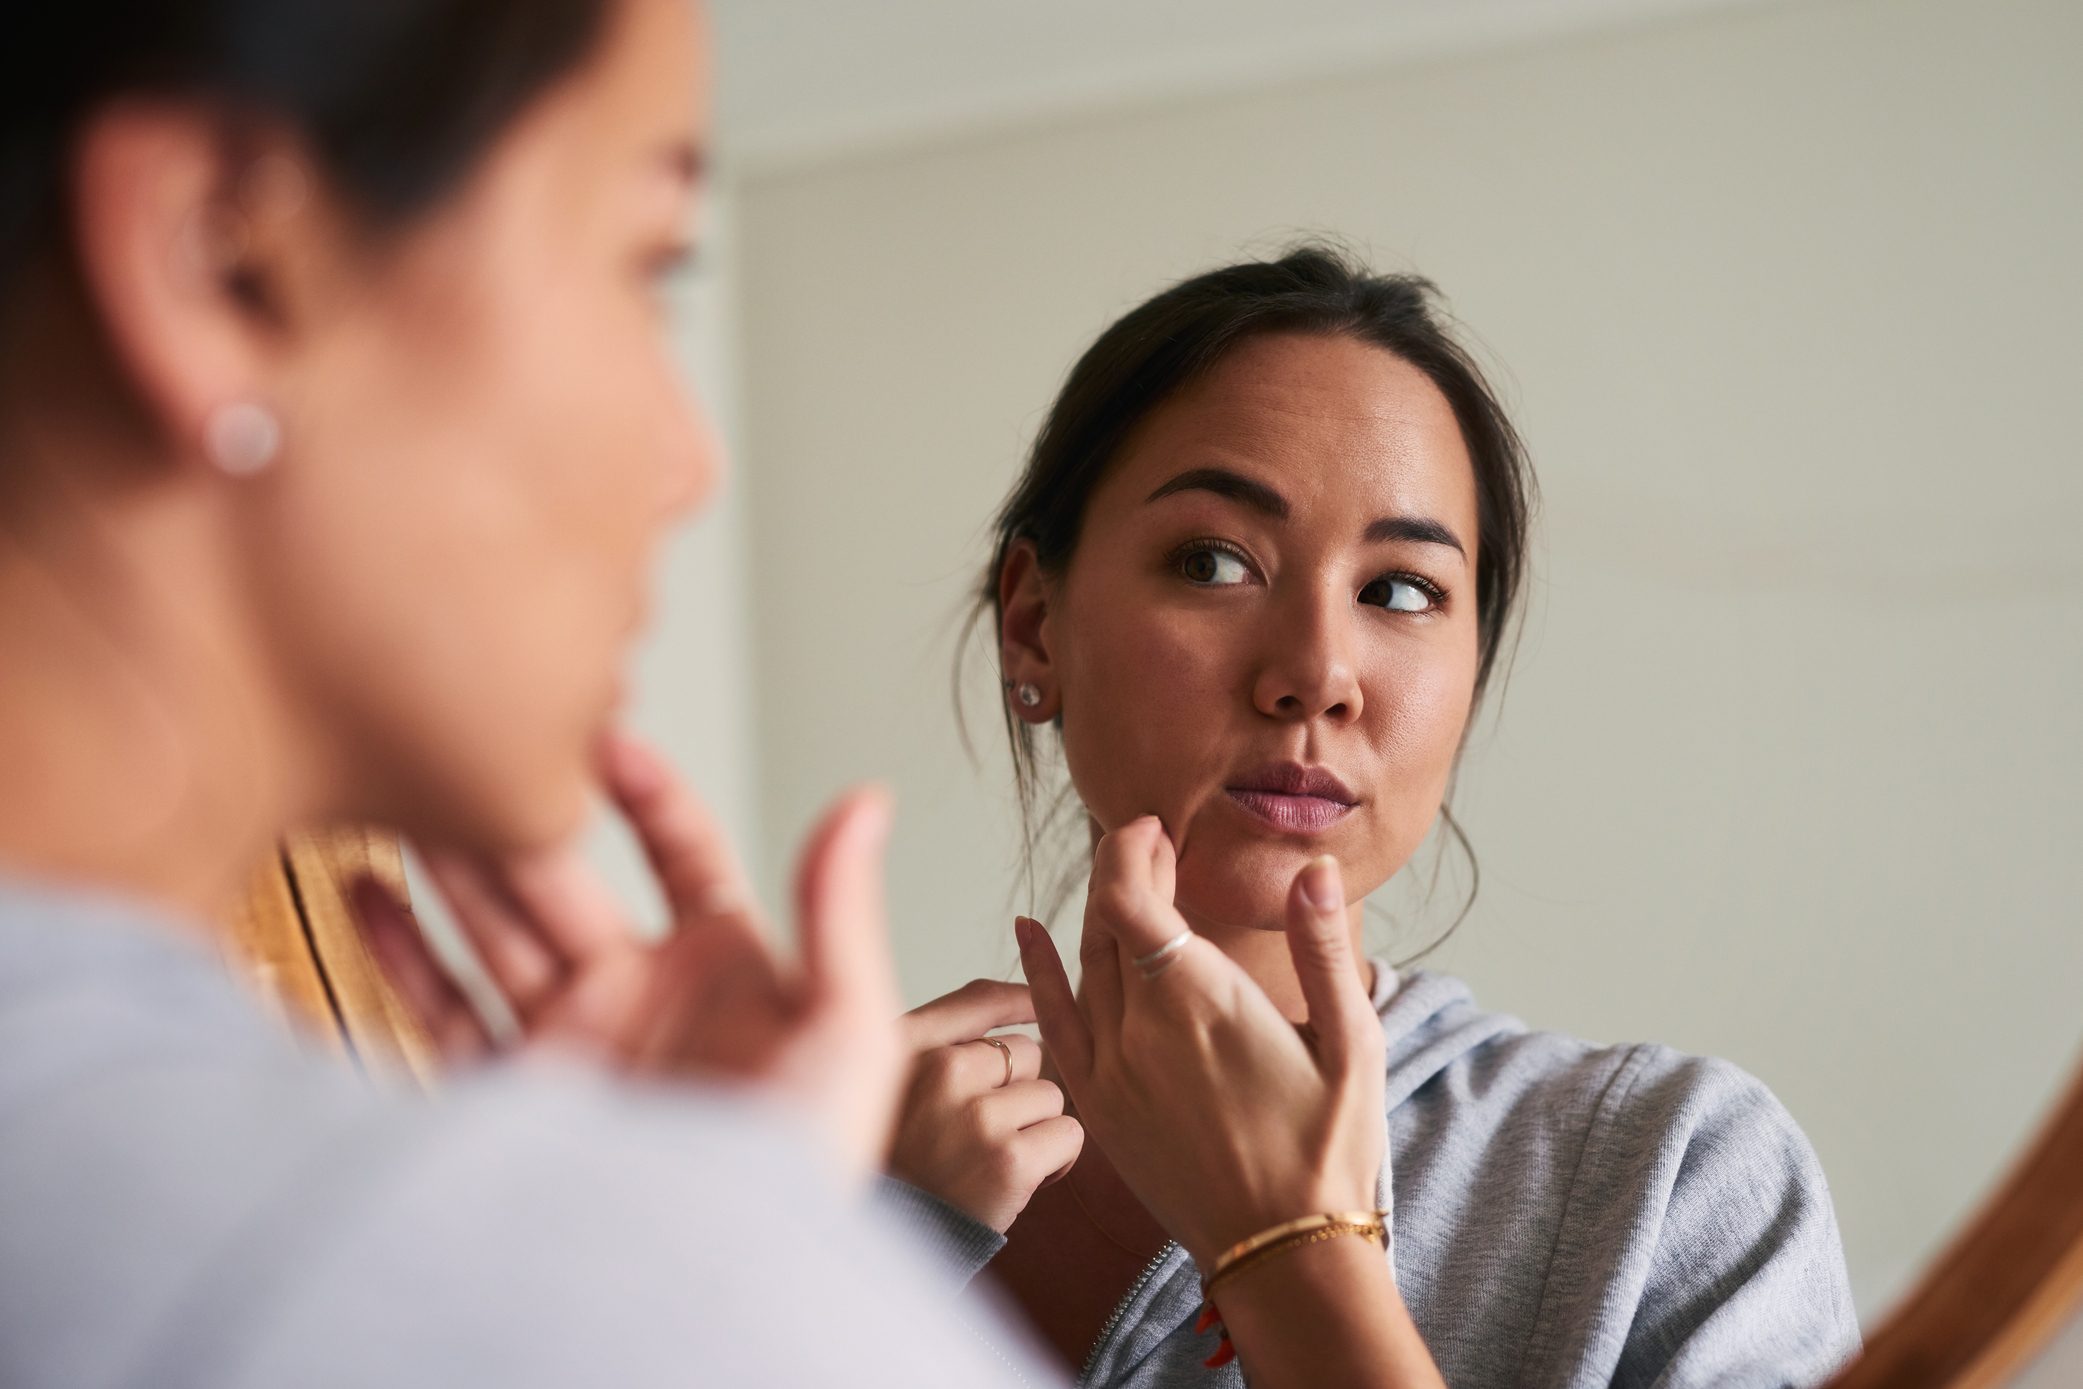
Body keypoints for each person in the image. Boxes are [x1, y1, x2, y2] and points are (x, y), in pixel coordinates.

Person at [0, 1, 1054, 1384]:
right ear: (219, 259)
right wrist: (702, 1275)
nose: (691, 463)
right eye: (648, 263)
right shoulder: (513, 1288)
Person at [873, 247, 1865, 1386]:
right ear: (1034, 627)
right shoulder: (833, 1181)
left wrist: (1297, 1259)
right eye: (1212, 561)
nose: (1316, 673)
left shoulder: (1666, 1179)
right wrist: (852, 1248)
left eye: (1400, 590)